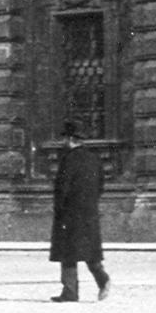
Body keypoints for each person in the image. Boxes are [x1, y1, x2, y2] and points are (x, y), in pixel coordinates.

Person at [48, 119, 108, 302]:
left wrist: (59, 209)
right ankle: (103, 279)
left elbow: (63, 188)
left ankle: (70, 291)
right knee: (89, 250)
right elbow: (100, 186)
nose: (63, 141)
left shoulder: (68, 160)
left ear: (70, 139)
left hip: (69, 212)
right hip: (89, 212)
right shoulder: (94, 159)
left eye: (65, 138)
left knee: (67, 252)